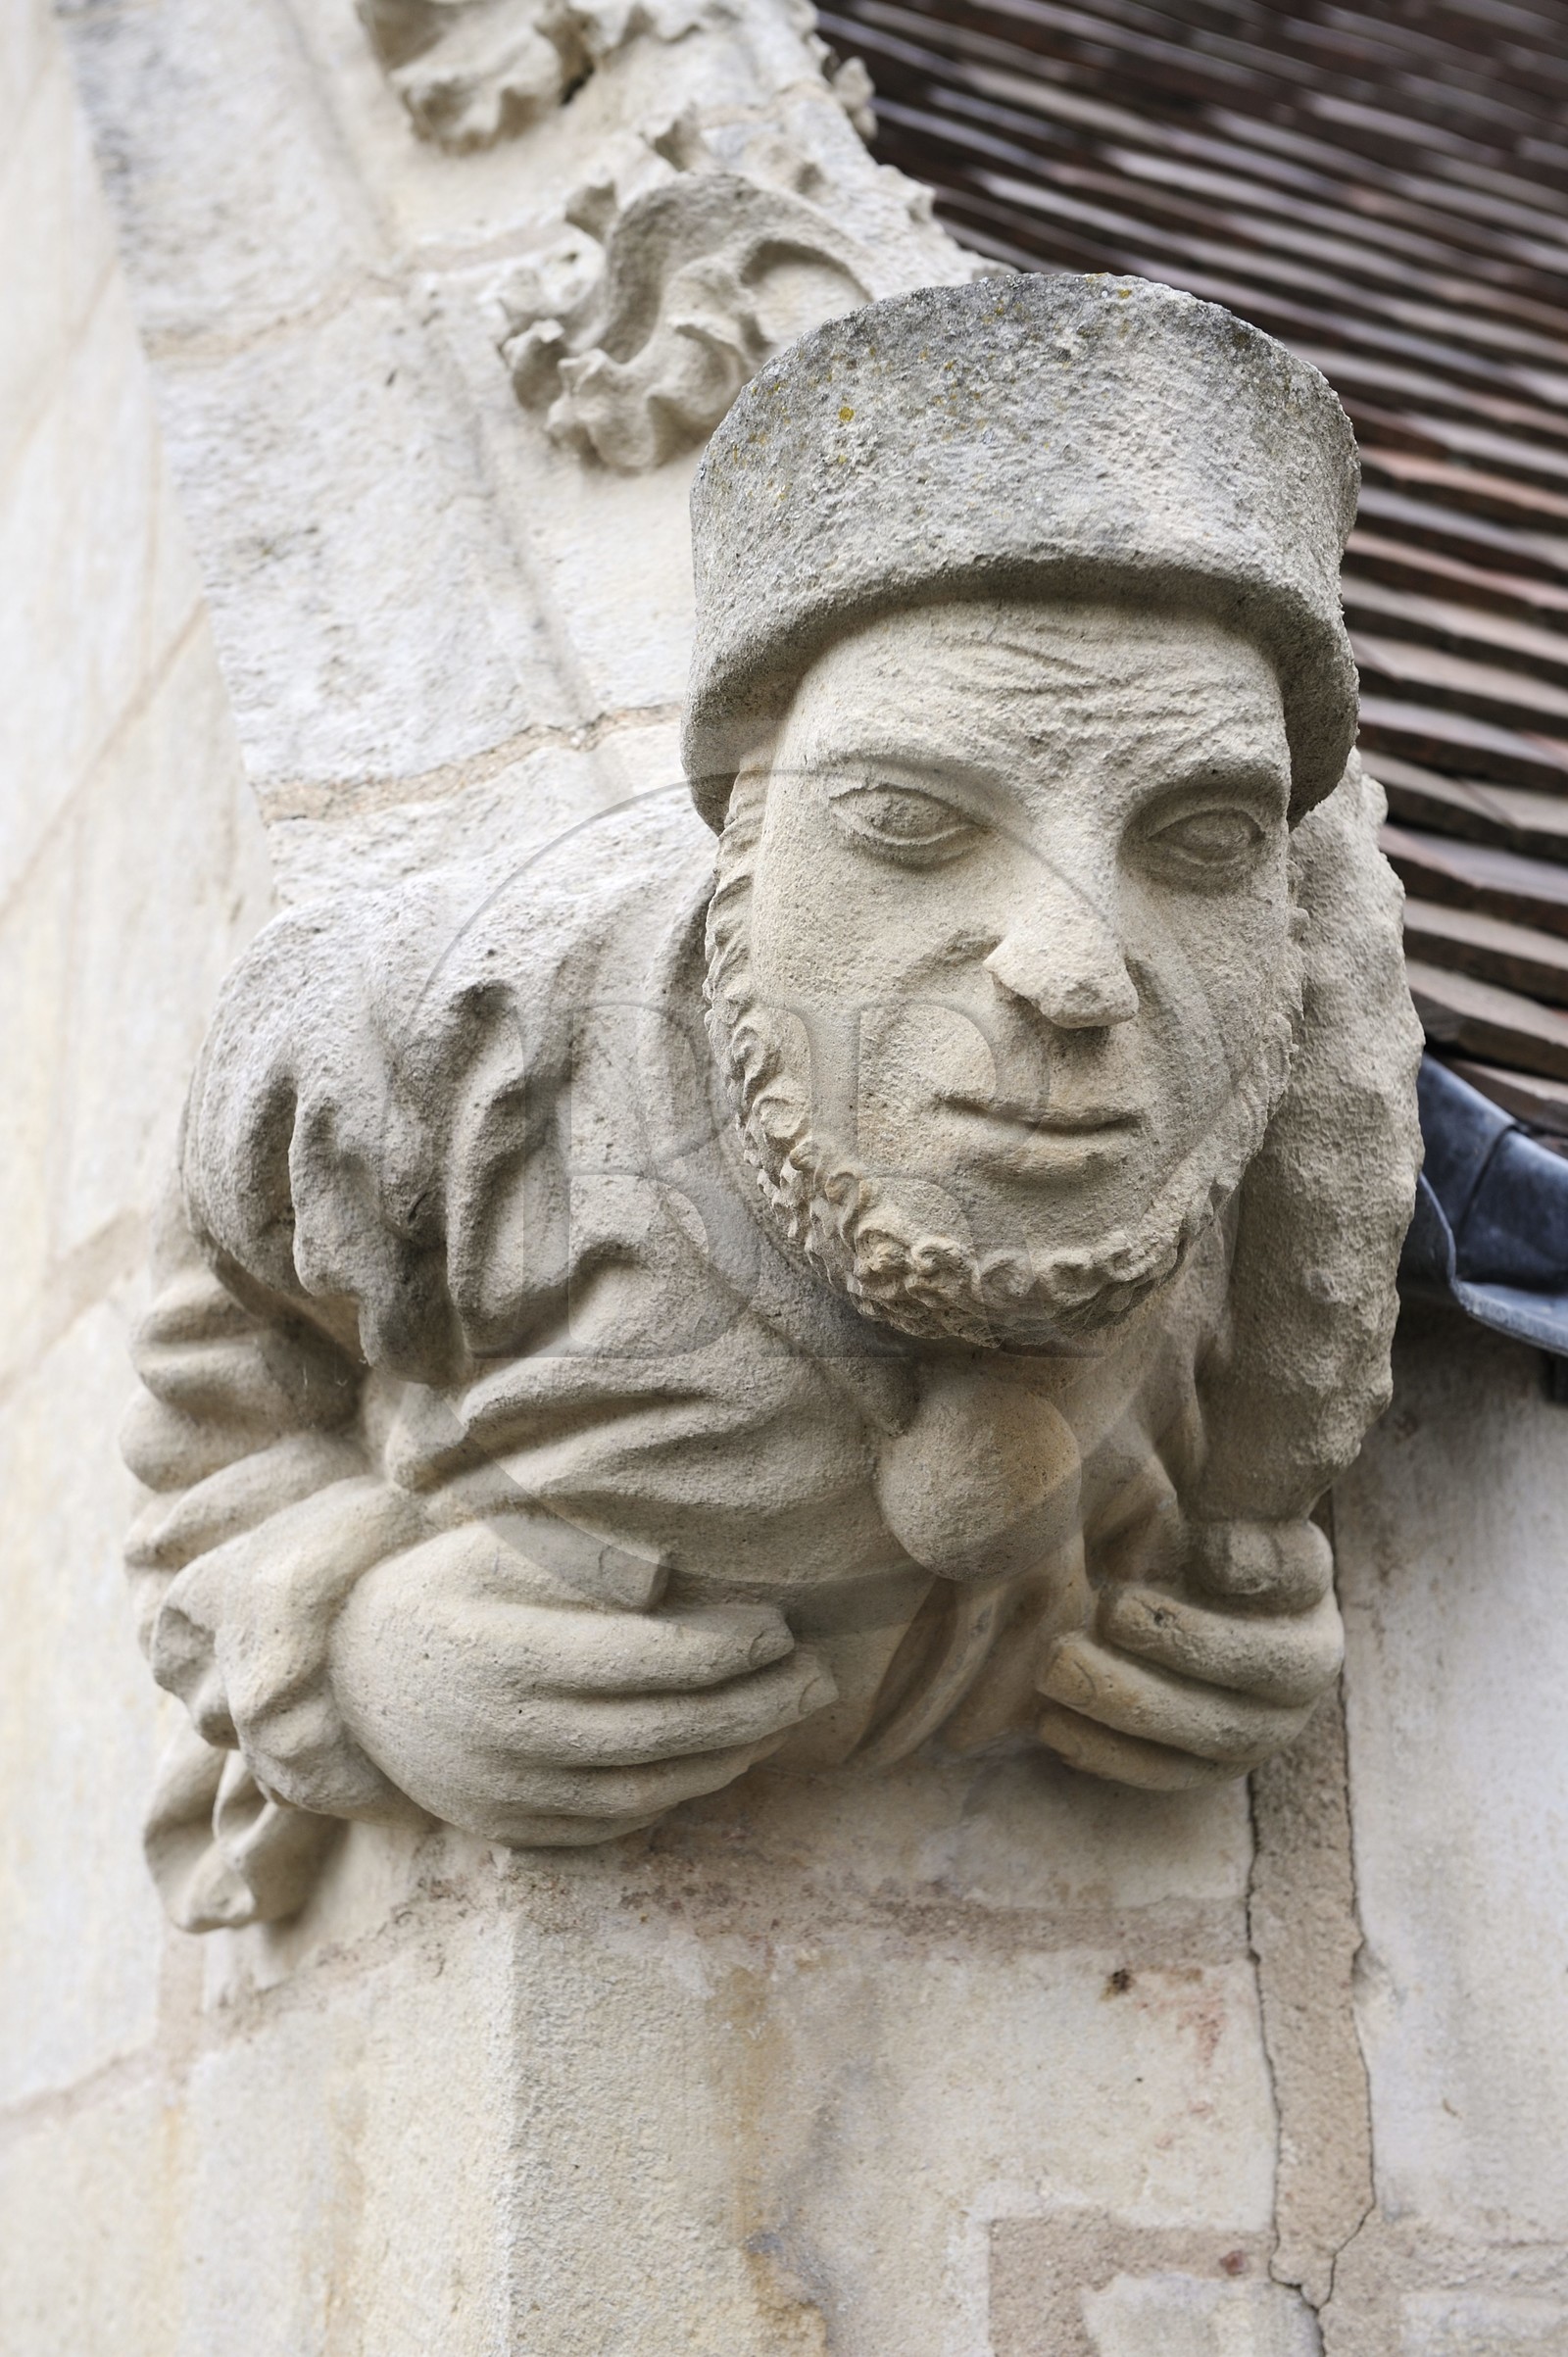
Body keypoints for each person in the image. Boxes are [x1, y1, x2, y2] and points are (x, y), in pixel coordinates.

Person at [122, 275, 1421, 1928]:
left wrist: (1241, 1605)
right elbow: (208, 1422)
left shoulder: (1281, 1108)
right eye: (909, 816)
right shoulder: (417, 1053)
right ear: (749, 829)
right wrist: (352, 1653)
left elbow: (1276, 1427)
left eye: (1204, 839)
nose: (1076, 969)